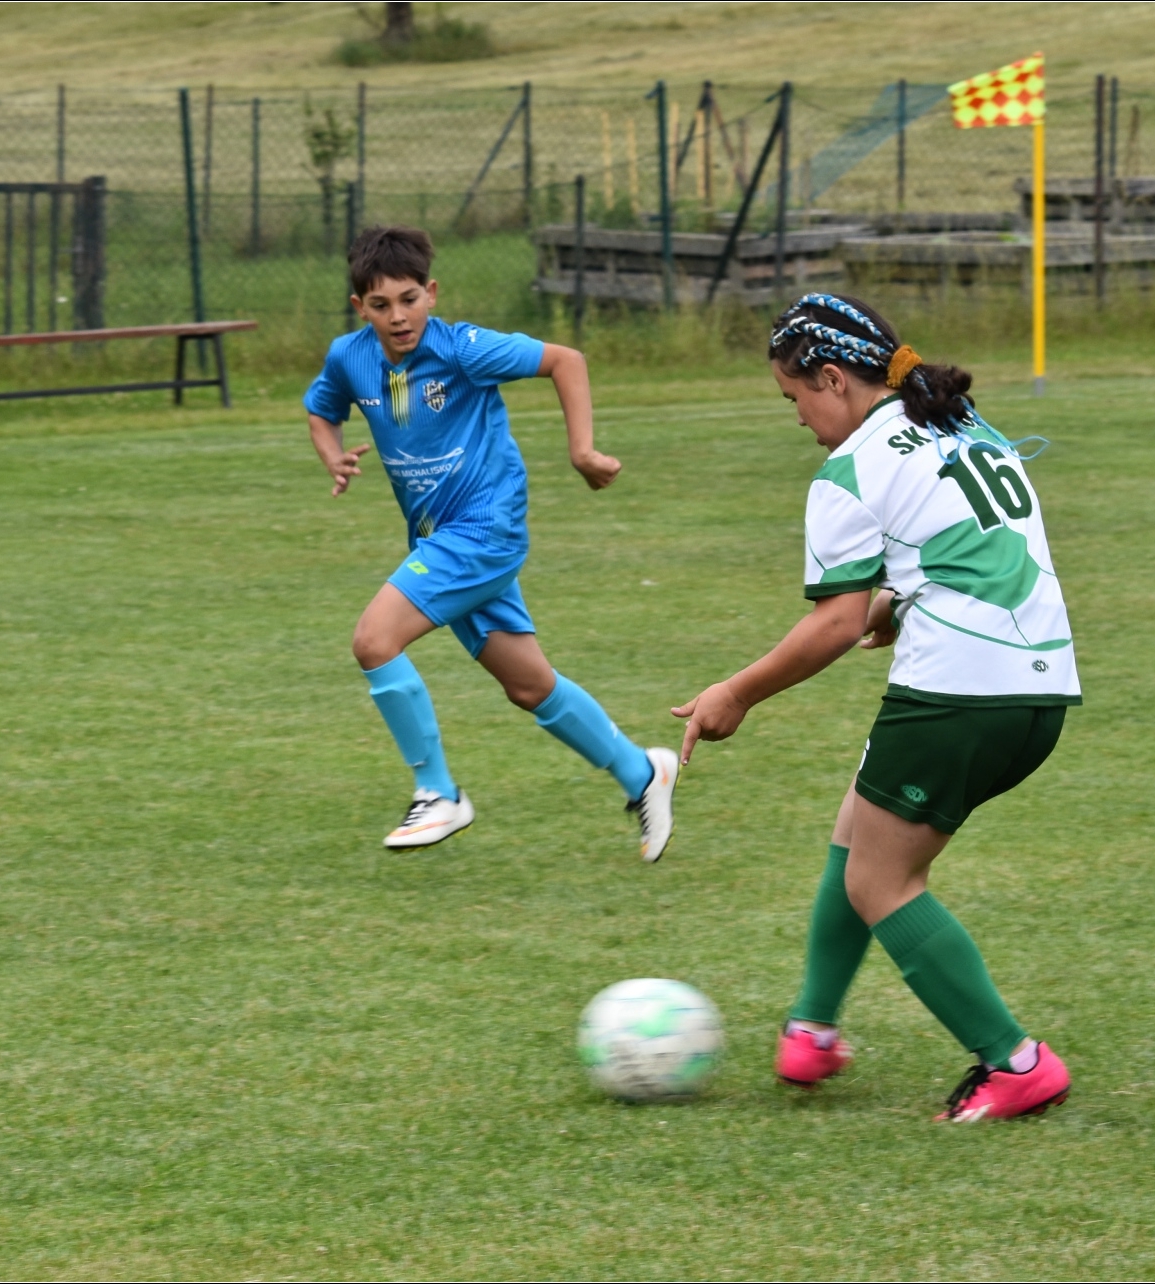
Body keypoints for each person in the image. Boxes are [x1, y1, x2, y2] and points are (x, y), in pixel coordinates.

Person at [671, 292, 1076, 1122]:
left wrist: (735, 693)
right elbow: (972, 547)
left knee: (881, 880)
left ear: (832, 378)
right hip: (1040, 686)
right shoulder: (961, 424)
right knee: (858, 825)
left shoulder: (849, 468)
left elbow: (833, 623)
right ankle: (811, 1031)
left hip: (960, 689)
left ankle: (1015, 1063)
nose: (797, 418)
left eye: (794, 396)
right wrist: (896, 603)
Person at [304, 225, 678, 856]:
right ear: (359, 307)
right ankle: (643, 773)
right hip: (438, 538)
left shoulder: (463, 349)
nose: (398, 317)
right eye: (381, 305)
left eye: (409, 300)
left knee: (374, 640)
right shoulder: (350, 357)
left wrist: (582, 451)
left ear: (431, 293)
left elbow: (566, 360)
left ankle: (438, 793)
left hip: (484, 530)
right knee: (529, 684)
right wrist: (332, 454)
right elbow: (322, 408)